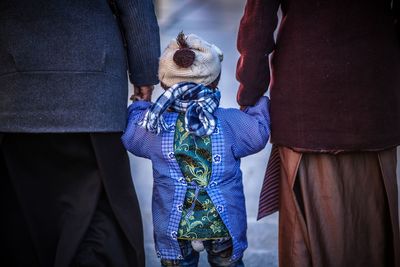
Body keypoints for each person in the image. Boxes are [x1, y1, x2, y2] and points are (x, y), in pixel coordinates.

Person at [236, 0, 400, 266]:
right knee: (374, 233)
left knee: (305, 239)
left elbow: (258, 21)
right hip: (373, 97)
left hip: (305, 99)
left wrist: (250, 91)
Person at [0, 0, 159, 266]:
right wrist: (144, 72)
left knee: (22, 218)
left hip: (16, 83)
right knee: (98, 214)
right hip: (95, 81)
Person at [122, 32, 270, 267]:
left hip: (173, 228)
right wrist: (253, 103)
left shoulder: (154, 124)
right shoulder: (230, 122)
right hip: (223, 226)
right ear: (215, 80)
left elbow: (130, 136)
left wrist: (142, 101)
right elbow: (258, 133)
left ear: (163, 81)